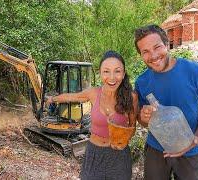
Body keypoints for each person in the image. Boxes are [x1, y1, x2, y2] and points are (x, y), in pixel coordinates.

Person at [134, 24, 198, 180]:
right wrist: (144, 118)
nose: (153, 56)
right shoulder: (142, 81)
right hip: (156, 151)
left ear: (167, 44)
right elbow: (144, 121)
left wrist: (195, 140)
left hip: (190, 150)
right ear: (140, 55)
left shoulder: (195, 71)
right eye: (145, 51)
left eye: (157, 47)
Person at [46, 50, 138, 180]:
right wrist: (52, 99)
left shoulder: (131, 97)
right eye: (106, 71)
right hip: (94, 153)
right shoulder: (93, 93)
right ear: (100, 73)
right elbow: (72, 97)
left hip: (119, 157)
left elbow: (133, 127)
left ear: (123, 74)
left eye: (117, 71)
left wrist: (124, 140)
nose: (112, 77)